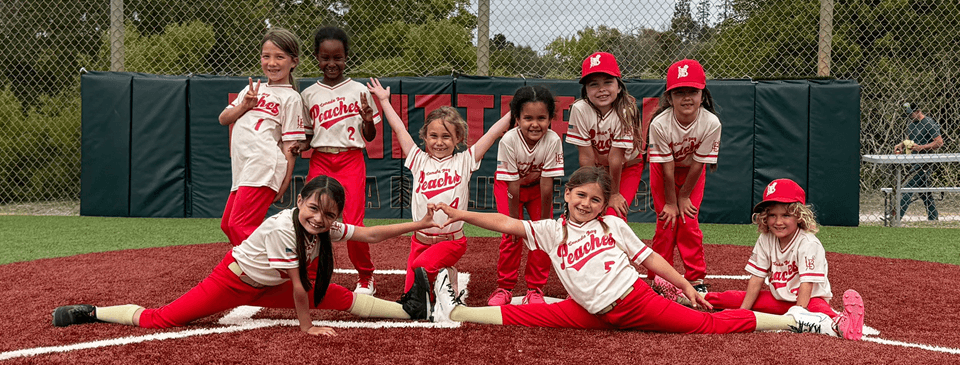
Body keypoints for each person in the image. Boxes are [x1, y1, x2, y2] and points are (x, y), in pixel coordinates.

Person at [429, 167, 865, 341]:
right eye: (580, 195)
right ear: (567, 194)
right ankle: (456, 310)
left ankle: (798, 320)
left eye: (595, 199)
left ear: (604, 204)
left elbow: (650, 260)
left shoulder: (612, 225)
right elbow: (504, 222)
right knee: (530, 314)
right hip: (592, 310)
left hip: (634, 302)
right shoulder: (550, 229)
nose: (586, 204)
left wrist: (686, 285)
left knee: (707, 325)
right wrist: (459, 212)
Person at [51, 176, 437, 336]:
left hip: (267, 284)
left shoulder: (322, 226)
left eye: (329, 215)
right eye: (314, 209)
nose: (320, 219)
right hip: (234, 281)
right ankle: (92, 311)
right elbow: (298, 287)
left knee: (334, 294)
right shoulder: (285, 228)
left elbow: (369, 233)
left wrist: (418, 223)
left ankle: (410, 309)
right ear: (299, 200)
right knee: (163, 319)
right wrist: (307, 328)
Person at [653, 179, 864, 337]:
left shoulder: (808, 243)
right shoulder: (766, 238)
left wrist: (799, 313)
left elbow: (807, 284)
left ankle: (840, 324)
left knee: (820, 310)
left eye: (786, 215)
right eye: (772, 215)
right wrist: (743, 312)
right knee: (734, 298)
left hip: (809, 300)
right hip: (779, 299)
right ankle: (684, 296)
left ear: (799, 216)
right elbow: (756, 279)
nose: (778, 221)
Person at [365, 78, 511, 293]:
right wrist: (384, 100)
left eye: (446, 137)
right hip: (419, 241)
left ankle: (445, 273)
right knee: (412, 298)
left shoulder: (464, 161)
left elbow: (491, 134)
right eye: (433, 136)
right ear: (425, 137)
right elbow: (399, 128)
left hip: (451, 242)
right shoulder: (418, 160)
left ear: (458, 138)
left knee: (421, 269)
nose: (439, 142)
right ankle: (444, 274)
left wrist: (513, 112)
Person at [298, 26, 382, 295]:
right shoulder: (308, 94)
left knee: (354, 223)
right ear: (316, 57)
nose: (331, 63)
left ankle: (366, 276)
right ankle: (311, 273)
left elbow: (370, 136)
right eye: (325, 58)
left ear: (346, 58)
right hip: (320, 159)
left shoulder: (359, 90)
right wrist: (298, 146)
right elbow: (309, 137)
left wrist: (367, 120)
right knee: (312, 216)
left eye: (338, 58)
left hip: (351, 159)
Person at [217, 28, 305, 247]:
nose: (272, 63)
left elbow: (290, 145)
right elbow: (224, 119)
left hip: (264, 164)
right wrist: (245, 105)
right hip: (244, 167)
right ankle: (259, 262)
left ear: (293, 62)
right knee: (228, 225)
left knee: (239, 225)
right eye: (266, 56)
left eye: (279, 57)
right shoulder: (251, 90)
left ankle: (272, 266)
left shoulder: (291, 97)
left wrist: (285, 182)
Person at [646, 59, 720, 295]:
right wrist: (671, 202)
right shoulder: (659, 123)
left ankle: (695, 278)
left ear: (703, 95)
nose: (686, 98)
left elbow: (699, 163)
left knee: (688, 222)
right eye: (679, 92)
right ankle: (660, 278)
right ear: (669, 98)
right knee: (666, 222)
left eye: (693, 91)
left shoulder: (711, 122)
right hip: (663, 171)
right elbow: (666, 166)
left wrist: (684, 196)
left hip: (692, 173)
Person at [488, 85, 565, 306]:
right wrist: (513, 223)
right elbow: (512, 185)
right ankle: (505, 287)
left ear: (550, 118)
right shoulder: (509, 140)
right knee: (511, 235)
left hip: (537, 189)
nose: (535, 124)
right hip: (509, 188)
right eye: (528, 118)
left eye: (541, 118)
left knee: (542, 235)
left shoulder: (553, 140)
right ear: (517, 118)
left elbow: (547, 185)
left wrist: (543, 222)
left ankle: (535, 289)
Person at [565, 52, 644, 220]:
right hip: (598, 168)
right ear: (586, 90)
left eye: (608, 82)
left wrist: (614, 194)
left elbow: (616, 158)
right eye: (594, 84)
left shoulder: (626, 109)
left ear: (619, 86)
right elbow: (586, 157)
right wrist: (590, 188)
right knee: (589, 211)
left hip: (626, 167)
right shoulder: (580, 109)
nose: (602, 89)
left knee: (614, 214)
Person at [893, 102, 943, 221]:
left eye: (911, 114)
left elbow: (939, 142)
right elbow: (909, 139)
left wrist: (921, 147)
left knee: (908, 188)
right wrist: (901, 145)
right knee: (923, 191)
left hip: (925, 163)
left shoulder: (929, 123)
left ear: (918, 112)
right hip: (914, 162)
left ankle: (896, 218)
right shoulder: (912, 124)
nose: (910, 117)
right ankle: (933, 217)